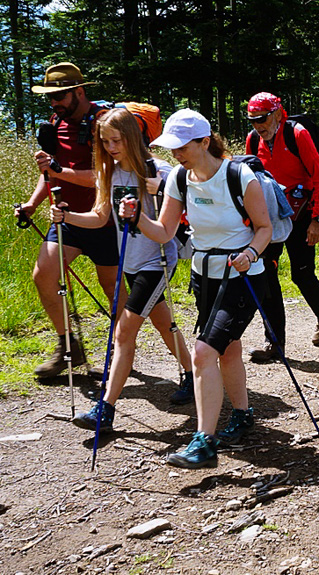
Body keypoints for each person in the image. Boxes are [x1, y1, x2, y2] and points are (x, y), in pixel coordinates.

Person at [119, 109, 271, 468]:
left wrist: (249, 253)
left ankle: (204, 442)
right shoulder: (180, 179)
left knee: (204, 353)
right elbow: (165, 232)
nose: (176, 154)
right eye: (171, 147)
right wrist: (136, 217)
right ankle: (244, 414)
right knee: (228, 349)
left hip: (244, 276)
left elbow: (264, 228)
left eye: (182, 146)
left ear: (205, 142)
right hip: (205, 276)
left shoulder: (240, 175)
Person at [48, 108, 194, 432]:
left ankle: (106, 409)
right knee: (162, 321)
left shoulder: (158, 170)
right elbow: (100, 217)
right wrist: (67, 216)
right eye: (106, 142)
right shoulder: (110, 173)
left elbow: (172, 221)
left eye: (117, 140)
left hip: (157, 262)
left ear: (131, 137)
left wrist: (148, 196)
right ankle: (191, 373)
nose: (112, 147)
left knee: (123, 332)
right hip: (129, 262)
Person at [15, 62, 124, 378]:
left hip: (104, 220)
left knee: (111, 288)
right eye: (50, 98)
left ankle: (122, 344)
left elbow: (106, 178)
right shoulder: (55, 123)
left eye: (59, 96)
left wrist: (59, 171)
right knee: (43, 276)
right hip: (65, 219)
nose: (54, 103)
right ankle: (68, 347)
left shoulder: (105, 123)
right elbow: (50, 172)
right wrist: (33, 204)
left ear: (79, 91)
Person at [243, 93, 319, 363]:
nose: (258, 126)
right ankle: (274, 343)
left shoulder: (297, 134)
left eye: (261, 119)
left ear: (277, 114)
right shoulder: (253, 140)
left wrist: (317, 218)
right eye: (252, 121)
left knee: (302, 275)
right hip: (270, 216)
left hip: (302, 213)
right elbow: (250, 178)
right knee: (267, 276)